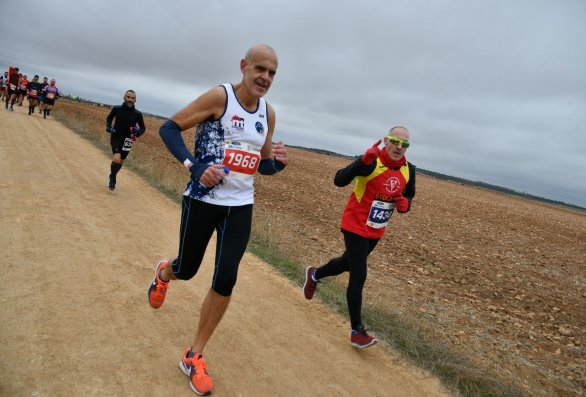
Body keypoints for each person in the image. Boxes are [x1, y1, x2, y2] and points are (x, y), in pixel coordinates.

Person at [148, 44, 287, 396]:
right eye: (259, 68)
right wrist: (195, 167)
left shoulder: (267, 114)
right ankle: (166, 272)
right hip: (202, 200)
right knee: (188, 269)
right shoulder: (220, 97)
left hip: (240, 205)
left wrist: (278, 164)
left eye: (271, 72)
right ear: (243, 66)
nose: (265, 77)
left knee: (226, 277)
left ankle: (193, 355)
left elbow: (262, 164)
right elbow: (169, 128)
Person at [303, 126, 416, 348]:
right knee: (359, 273)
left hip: (376, 228)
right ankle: (357, 330)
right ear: (386, 141)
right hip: (355, 223)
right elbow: (339, 180)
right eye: (395, 141)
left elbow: (409, 194)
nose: (399, 147)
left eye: (405, 144)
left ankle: (315, 274)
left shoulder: (409, 169)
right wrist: (361, 162)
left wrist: (406, 205)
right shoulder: (372, 161)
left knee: (346, 263)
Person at [104, 90, 145, 190]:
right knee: (116, 158)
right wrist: (109, 127)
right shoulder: (117, 109)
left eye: (132, 98)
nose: (130, 100)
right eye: (128, 97)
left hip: (128, 140)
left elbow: (143, 128)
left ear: (135, 100)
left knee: (121, 161)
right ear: (124, 98)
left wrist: (137, 132)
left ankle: (112, 175)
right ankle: (113, 179)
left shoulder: (137, 114)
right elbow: (109, 118)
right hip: (116, 136)